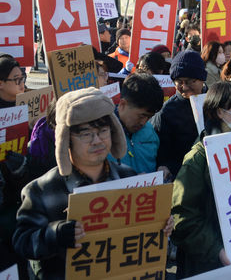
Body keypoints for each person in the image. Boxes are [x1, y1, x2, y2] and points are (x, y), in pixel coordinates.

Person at [13, 87, 173, 279]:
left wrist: (161, 226)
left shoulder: (128, 178)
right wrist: (55, 234)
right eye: (86, 134)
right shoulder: (41, 190)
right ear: (66, 139)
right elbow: (22, 242)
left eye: (103, 131)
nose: (97, 141)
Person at [171, 82, 231, 278]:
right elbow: (183, 218)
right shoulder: (198, 159)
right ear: (219, 113)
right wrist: (217, 250)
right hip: (211, 266)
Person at [151, 50, 208, 179]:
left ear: (202, 79)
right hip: (186, 177)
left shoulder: (216, 100)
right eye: (179, 82)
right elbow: (163, 155)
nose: (185, 87)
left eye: (190, 81)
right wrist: (165, 166)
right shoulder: (167, 112)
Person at [107, 73, 163, 175]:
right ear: (123, 104)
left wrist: (164, 166)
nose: (144, 122)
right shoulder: (103, 134)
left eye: (149, 117)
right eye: (141, 116)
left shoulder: (150, 131)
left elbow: (161, 158)